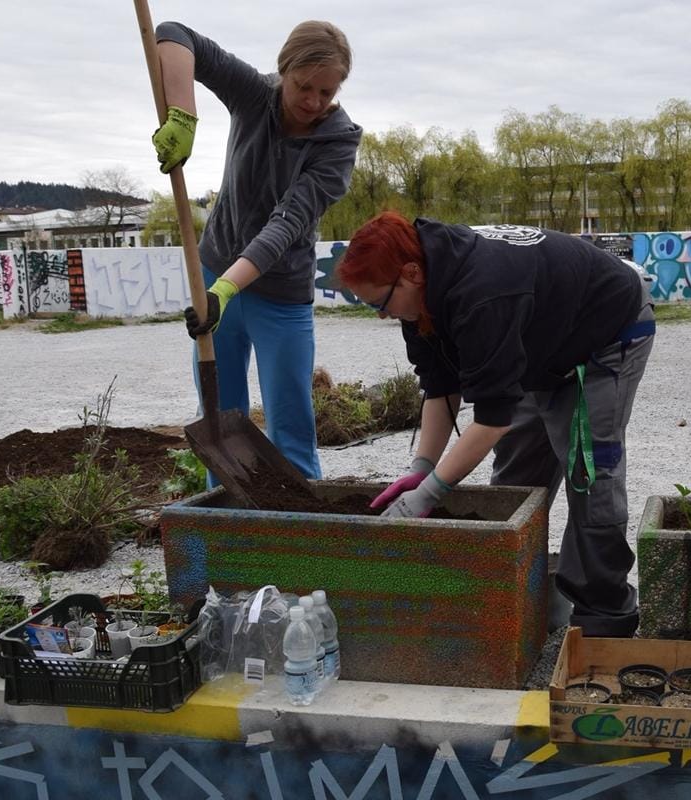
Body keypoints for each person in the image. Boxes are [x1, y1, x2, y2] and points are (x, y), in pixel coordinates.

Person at [335, 212, 655, 637]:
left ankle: (605, 612)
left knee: (588, 471)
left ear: (410, 273)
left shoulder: (482, 293)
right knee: (516, 478)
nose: (380, 315)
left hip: (603, 336)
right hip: (539, 343)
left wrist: (430, 494)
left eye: (380, 303)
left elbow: (490, 423)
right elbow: (439, 386)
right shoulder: (422, 291)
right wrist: (422, 468)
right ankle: (520, 590)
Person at [151, 20, 362, 481]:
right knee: (221, 424)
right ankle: (225, 526)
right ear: (283, 70)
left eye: (326, 93)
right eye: (303, 86)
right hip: (213, 273)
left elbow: (285, 224)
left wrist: (226, 289)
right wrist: (183, 115)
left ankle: (302, 538)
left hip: (280, 296)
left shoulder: (338, 142)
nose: (313, 102)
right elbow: (172, 33)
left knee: (291, 428)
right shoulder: (254, 94)